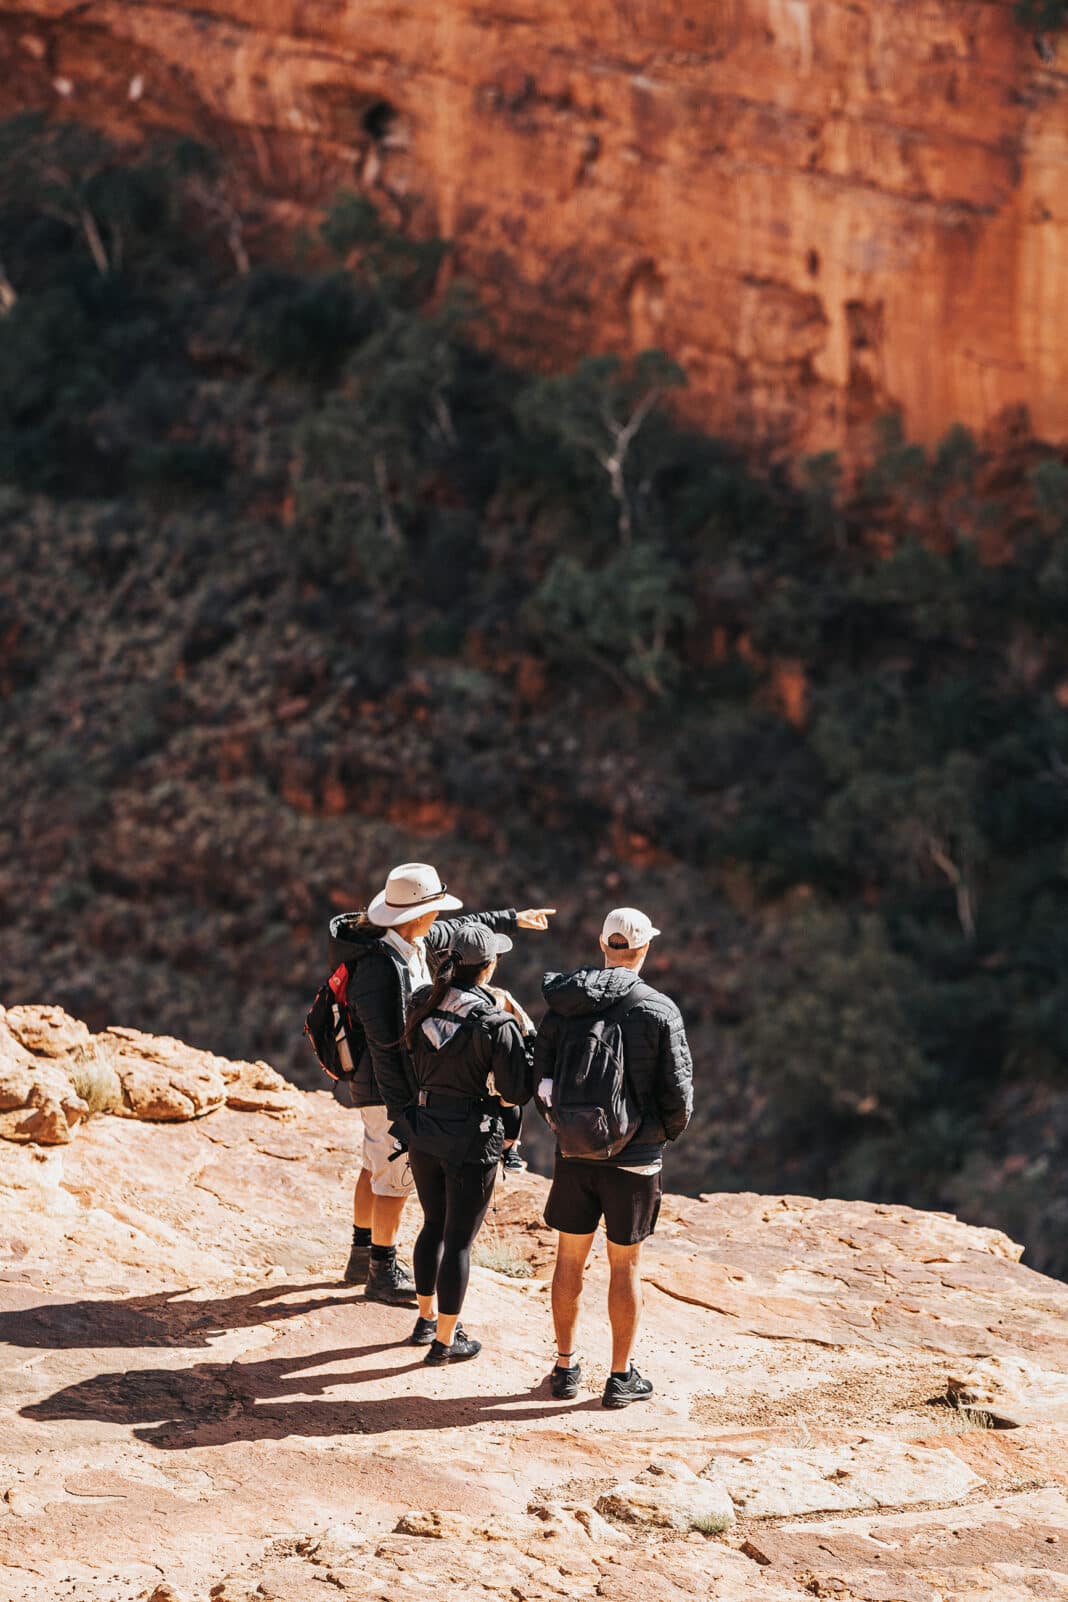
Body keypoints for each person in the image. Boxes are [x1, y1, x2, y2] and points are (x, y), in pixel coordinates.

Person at [330, 862, 553, 1305]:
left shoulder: (410, 940)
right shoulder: (380, 969)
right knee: (392, 1178)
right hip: (383, 1087)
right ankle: (380, 1268)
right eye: (434, 910)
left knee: (373, 1165)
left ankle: (360, 1255)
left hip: (385, 1085)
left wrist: (512, 918)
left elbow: (464, 927)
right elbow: (386, 1048)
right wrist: (405, 1114)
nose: (439, 919)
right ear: (417, 914)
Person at [535, 907, 693, 1408]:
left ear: (604, 945)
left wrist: (569, 1130)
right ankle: (620, 1377)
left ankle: (564, 1368)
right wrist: (654, 1139)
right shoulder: (658, 1009)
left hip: (575, 1152)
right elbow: (678, 1092)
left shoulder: (565, 1003)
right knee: (624, 1266)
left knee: (569, 1258)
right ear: (644, 950)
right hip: (636, 1158)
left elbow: (540, 1080)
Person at [399, 923, 534, 1363]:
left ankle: (423, 1320)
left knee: (432, 1225)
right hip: (471, 1139)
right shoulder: (496, 1022)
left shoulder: (421, 1001)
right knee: (459, 1240)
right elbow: (515, 1092)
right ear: (489, 967)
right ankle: (445, 1341)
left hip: (423, 1129)